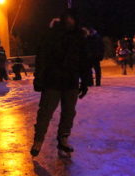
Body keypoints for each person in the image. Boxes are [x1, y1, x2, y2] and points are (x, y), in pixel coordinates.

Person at [31, 9, 91, 158]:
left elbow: (84, 61)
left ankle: (63, 139)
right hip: (53, 80)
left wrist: (85, 81)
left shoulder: (79, 37)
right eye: (68, 18)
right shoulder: (52, 35)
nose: (70, 22)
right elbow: (42, 57)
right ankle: (38, 140)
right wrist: (38, 77)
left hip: (71, 81)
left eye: (73, 19)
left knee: (69, 112)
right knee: (45, 112)